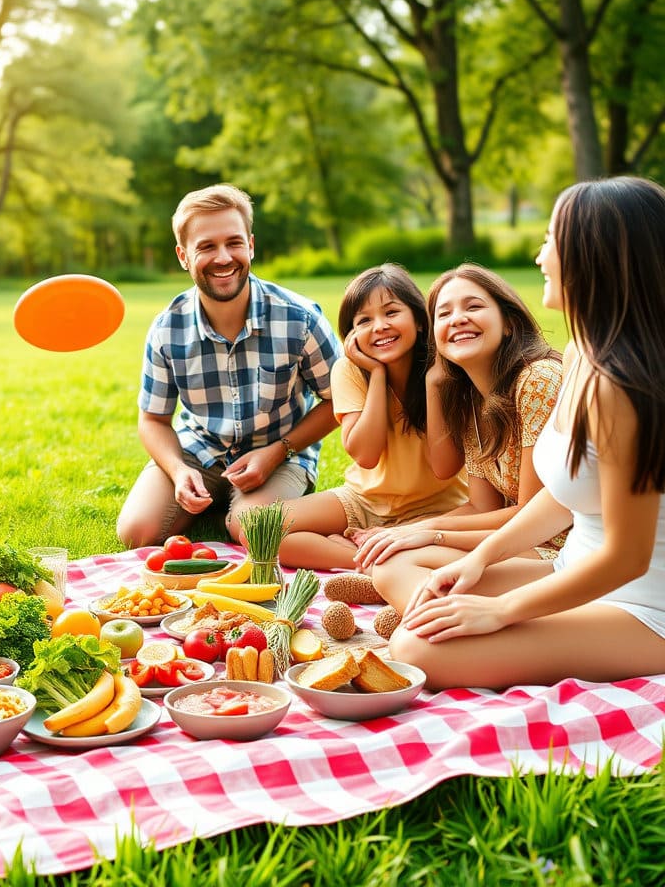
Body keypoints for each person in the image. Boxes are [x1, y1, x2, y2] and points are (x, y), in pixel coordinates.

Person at [374, 176, 665, 689]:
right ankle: (516, 637)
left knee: (414, 647)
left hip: (642, 605)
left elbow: (628, 556)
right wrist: (480, 561)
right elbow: (562, 496)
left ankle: (517, 641)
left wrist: (503, 611)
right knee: (404, 574)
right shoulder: (581, 354)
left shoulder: (624, 383)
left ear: (590, 255)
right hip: (574, 573)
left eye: (551, 239)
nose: (539, 255)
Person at [115, 183, 342, 548]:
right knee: (136, 532)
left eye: (233, 243)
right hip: (199, 451)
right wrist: (178, 470)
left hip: (280, 452)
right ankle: (211, 498)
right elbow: (153, 419)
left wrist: (277, 452)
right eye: (206, 246)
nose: (223, 257)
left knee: (251, 529)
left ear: (250, 245)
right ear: (183, 256)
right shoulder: (166, 329)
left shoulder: (300, 319)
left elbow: (342, 400)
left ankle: (242, 507)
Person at [348, 265, 563, 570]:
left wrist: (424, 532)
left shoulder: (537, 380)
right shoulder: (471, 402)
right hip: (515, 545)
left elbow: (531, 513)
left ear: (509, 324)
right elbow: (479, 507)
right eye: (444, 314)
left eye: (473, 306)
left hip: (564, 551)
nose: (458, 318)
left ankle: (432, 610)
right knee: (394, 560)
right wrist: (400, 533)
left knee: (400, 564)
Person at [278, 264, 468, 571]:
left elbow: (445, 468)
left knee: (459, 554)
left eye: (391, 312)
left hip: (438, 507)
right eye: (364, 320)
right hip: (364, 500)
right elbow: (365, 455)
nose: (379, 326)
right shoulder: (350, 370)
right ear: (352, 334)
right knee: (260, 527)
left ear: (420, 321)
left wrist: (434, 383)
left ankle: (381, 546)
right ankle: (368, 560)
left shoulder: (444, 371)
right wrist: (378, 374)